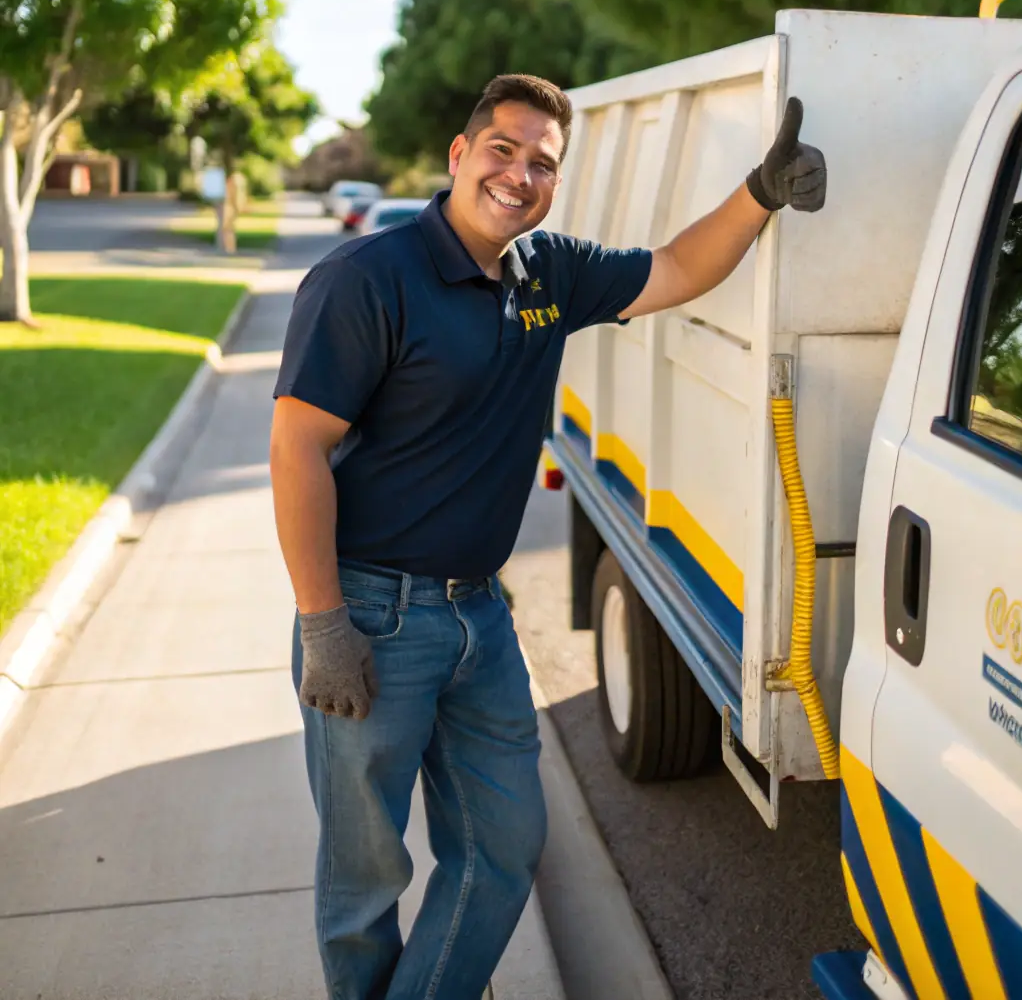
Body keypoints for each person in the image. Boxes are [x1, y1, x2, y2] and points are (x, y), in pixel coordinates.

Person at [270, 73, 826, 1000]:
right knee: (365, 878)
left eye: (542, 163)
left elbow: (679, 267)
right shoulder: (366, 279)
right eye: (503, 150)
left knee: (504, 847)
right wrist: (324, 622)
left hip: (480, 621)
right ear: (459, 153)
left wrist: (759, 194)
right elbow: (296, 450)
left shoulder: (548, 273)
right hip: (371, 617)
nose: (519, 175)